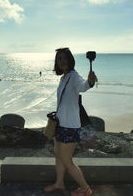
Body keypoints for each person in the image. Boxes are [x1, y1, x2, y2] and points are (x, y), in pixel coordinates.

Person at [44, 48, 97, 196]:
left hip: (70, 126)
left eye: (65, 58)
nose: (62, 61)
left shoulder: (74, 76)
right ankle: (59, 184)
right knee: (57, 154)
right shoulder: (63, 78)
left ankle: (85, 188)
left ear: (70, 59)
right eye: (59, 59)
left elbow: (83, 86)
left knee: (67, 160)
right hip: (60, 124)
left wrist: (90, 81)